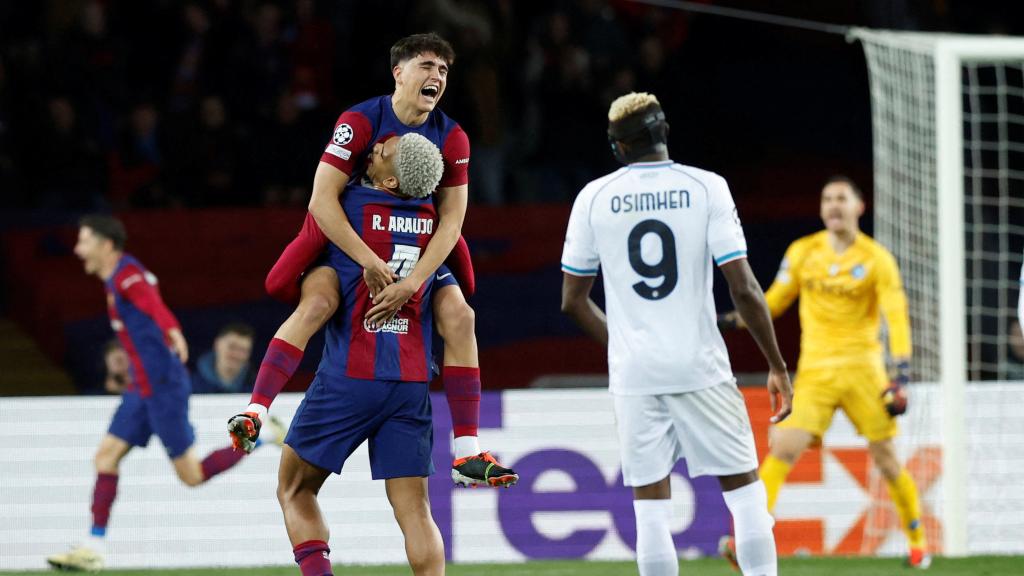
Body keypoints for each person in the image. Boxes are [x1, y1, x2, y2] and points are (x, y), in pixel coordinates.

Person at [234, 32, 516, 488]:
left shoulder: (453, 136)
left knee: (461, 315)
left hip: (415, 244)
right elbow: (322, 202)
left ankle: (466, 451)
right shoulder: (361, 121)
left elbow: (452, 221)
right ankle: (255, 409)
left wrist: (415, 282)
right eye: (427, 66)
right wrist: (365, 259)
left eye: (444, 70)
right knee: (315, 305)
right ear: (398, 73)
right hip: (349, 239)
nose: (437, 76)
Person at [560, 92, 792, 576]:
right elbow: (745, 288)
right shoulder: (707, 187)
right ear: (665, 132)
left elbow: (572, 301)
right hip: (700, 364)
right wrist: (776, 364)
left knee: (650, 512)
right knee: (747, 498)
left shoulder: (593, 198)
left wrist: (625, 346)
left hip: (635, 374)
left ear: (618, 147)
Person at [242, 132, 447, 576]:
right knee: (416, 511)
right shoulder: (435, 218)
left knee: (295, 489)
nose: (372, 148)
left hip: (351, 377)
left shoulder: (344, 205)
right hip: (411, 382)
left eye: (382, 152)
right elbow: (465, 275)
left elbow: (278, 279)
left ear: (390, 181)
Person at [47, 215, 283, 572]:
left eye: (84, 241)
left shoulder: (127, 275)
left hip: (162, 388)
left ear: (106, 244)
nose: (78, 250)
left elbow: (152, 304)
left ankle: (260, 435)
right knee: (105, 458)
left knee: (192, 476)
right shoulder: (117, 279)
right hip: (140, 388)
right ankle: (94, 546)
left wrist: (172, 330)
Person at [718, 175, 931, 569]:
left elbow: (895, 315)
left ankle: (918, 542)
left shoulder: (876, 258)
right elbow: (774, 300)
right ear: (820, 209)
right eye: (827, 199)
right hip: (815, 373)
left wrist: (900, 371)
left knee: (886, 461)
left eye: (841, 199)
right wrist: (729, 321)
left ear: (859, 207)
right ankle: (744, 539)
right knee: (782, 448)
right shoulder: (803, 252)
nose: (833, 205)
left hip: (864, 373)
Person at [191, 322, 256, 394]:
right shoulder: (190, 385)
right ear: (217, 344)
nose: (236, 355)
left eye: (243, 350)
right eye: (232, 347)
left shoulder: (257, 388)